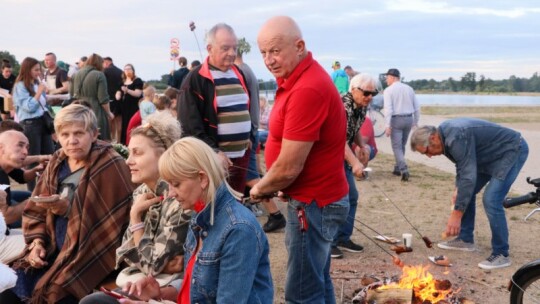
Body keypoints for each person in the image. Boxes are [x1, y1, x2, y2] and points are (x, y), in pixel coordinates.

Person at [252, 16, 349, 303]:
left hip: (314, 205)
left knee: (301, 294)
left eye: (275, 51)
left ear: (299, 46)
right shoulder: (294, 79)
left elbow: (289, 167)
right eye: (263, 53)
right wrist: (281, 184)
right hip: (312, 199)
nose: (269, 60)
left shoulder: (308, 87)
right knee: (317, 282)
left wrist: (260, 188)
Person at [0, 104, 135, 304]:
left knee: (57, 293)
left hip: (87, 253)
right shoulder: (57, 162)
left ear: (94, 134)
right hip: (51, 246)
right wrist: (36, 243)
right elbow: (35, 210)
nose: (72, 141)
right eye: (65, 134)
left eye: (79, 133)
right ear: (57, 136)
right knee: (9, 292)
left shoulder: (111, 164)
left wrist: (68, 209)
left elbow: (112, 220)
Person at [410, 118, 529, 270]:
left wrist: (456, 215)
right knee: (465, 191)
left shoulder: (455, 136)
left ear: (433, 137)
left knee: (491, 199)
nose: (429, 156)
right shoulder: (444, 137)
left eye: (427, 151)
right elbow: (462, 167)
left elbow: (468, 175)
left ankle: (501, 253)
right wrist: (457, 189)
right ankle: (465, 239)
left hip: (511, 150)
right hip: (486, 157)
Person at [178, 23, 253, 194]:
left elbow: (245, 107)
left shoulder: (238, 73)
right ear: (210, 48)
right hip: (215, 161)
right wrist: (214, 151)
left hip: (241, 157)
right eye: (225, 48)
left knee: (237, 202)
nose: (232, 53)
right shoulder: (195, 79)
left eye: (234, 48)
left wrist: (249, 136)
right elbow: (189, 125)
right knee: (215, 205)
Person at [331, 73, 379, 259]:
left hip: (343, 156)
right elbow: (337, 141)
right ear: (353, 89)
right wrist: (355, 162)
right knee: (338, 200)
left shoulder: (361, 106)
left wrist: (362, 145)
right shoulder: (343, 107)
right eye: (366, 93)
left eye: (372, 93)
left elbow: (355, 129)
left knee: (352, 196)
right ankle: (330, 243)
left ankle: (343, 237)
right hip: (331, 157)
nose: (370, 97)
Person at [12, 57, 55, 191]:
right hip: (30, 125)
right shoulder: (20, 86)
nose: (38, 72)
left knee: (49, 156)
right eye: (36, 70)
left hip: (42, 122)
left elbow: (42, 104)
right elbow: (29, 107)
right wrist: (39, 92)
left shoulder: (36, 83)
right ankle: (32, 192)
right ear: (27, 70)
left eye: (39, 69)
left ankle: (47, 187)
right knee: (32, 159)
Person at [383, 68, 420, 182]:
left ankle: (403, 169)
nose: (386, 80)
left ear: (393, 77)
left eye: (387, 77)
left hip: (396, 120)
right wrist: (415, 121)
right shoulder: (409, 88)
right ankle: (397, 168)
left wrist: (387, 125)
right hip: (408, 119)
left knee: (397, 147)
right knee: (401, 145)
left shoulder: (388, 91)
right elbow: (417, 107)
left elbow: (388, 109)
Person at [69, 53, 114, 141]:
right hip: (95, 111)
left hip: (78, 110)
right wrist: (109, 113)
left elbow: (71, 93)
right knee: (98, 140)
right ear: (99, 63)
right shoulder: (99, 75)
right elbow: (103, 99)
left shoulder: (76, 74)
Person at [116, 64, 143, 144]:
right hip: (124, 107)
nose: (127, 70)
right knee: (123, 127)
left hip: (133, 107)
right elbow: (118, 91)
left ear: (133, 70)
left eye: (129, 69)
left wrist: (127, 90)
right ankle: (123, 145)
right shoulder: (122, 81)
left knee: (132, 126)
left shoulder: (137, 80)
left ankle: (132, 143)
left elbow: (138, 94)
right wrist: (117, 94)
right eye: (125, 69)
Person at [103, 57, 124, 142]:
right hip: (119, 99)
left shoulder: (105, 71)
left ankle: (111, 140)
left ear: (107, 62)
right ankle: (118, 141)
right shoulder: (121, 71)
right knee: (118, 122)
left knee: (110, 121)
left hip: (109, 99)